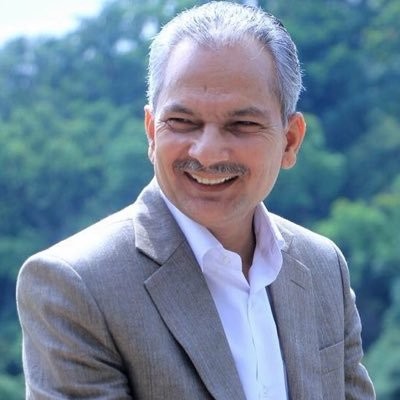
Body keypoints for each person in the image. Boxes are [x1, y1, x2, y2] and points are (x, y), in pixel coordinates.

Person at [17, 2, 375, 399]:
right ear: (152, 132)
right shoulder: (77, 284)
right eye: (183, 122)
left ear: (290, 141)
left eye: (241, 124)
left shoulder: (322, 267)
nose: (207, 152)